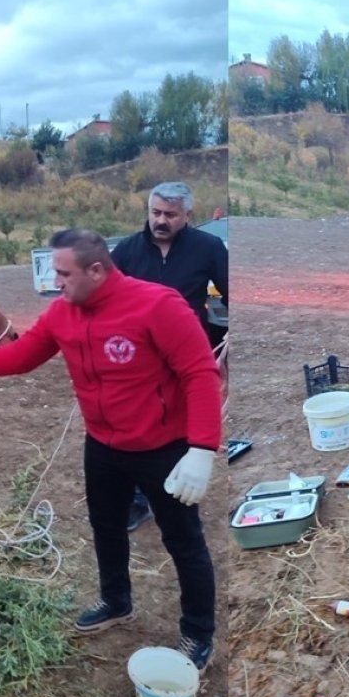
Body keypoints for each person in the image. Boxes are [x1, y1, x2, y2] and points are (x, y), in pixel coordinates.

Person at [0, 228, 222, 671]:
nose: (56, 281)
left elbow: (199, 373)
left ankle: (197, 632)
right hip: (103, 445)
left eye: (63, 273)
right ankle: (116, 601)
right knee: (106, 526)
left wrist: (201, 449)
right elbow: (22, 356)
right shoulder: (63, 313)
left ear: (96, 270)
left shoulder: (158, 305)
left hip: (163, 447)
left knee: (184, 542)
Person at [111, 181, 229, 533]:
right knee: (135, 426)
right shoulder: (126, 252)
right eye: (156, 213)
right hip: (137, 359)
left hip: (188, 357)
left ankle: (175, 492)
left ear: (187, 216)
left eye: (170, 215)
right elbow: (105, 300)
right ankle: (136, 499)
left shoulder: (209, 248)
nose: (161, 220)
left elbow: (232, 291)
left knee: (180, 426)